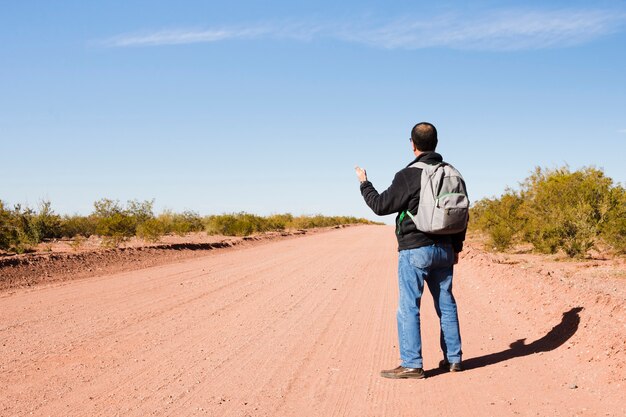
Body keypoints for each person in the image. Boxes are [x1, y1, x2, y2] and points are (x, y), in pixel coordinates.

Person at [355, 122, 465, 379]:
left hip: (416, 250)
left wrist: (364, 183)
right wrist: (456, 247)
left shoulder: (409, 174)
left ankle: (412, 364)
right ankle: (454, 359)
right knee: (446, 304)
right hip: (446, 249)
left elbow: (380, 205)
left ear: (412, 144)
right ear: (436, 143)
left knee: (409, 306)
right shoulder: (454, 173)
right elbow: (460, 212)